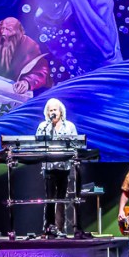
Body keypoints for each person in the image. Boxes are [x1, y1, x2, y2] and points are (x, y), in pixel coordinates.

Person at [0, 17, 52, 94]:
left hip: (18, 95)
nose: (4, 33)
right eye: (2, 28)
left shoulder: (29, 46)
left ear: (18, 32)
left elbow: (42, 71)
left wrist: (27, 82)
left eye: (9, 30)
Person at [35, 98, 81, 238]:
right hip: (49, 167)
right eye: (50, 110)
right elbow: (37, 142)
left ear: (60, 111)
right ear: (47, 113)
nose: (53, 112)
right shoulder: (43, 126)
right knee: (49, 198)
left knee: (61, 198)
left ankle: (60, 228)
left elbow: (76, 144)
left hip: (64, 166)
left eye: (55, 110)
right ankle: (48, 227)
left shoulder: (70, 126)